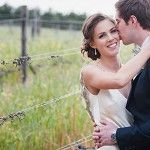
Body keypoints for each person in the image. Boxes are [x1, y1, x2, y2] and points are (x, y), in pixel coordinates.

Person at [80, 12, 150, 150]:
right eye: (102, 35)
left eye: (113, 31)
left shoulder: (133, 73)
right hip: (109, 145)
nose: (111, 38)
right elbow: (119, 80)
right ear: (93, 43)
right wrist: (147, 48)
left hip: (135, 141)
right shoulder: (89, 72)